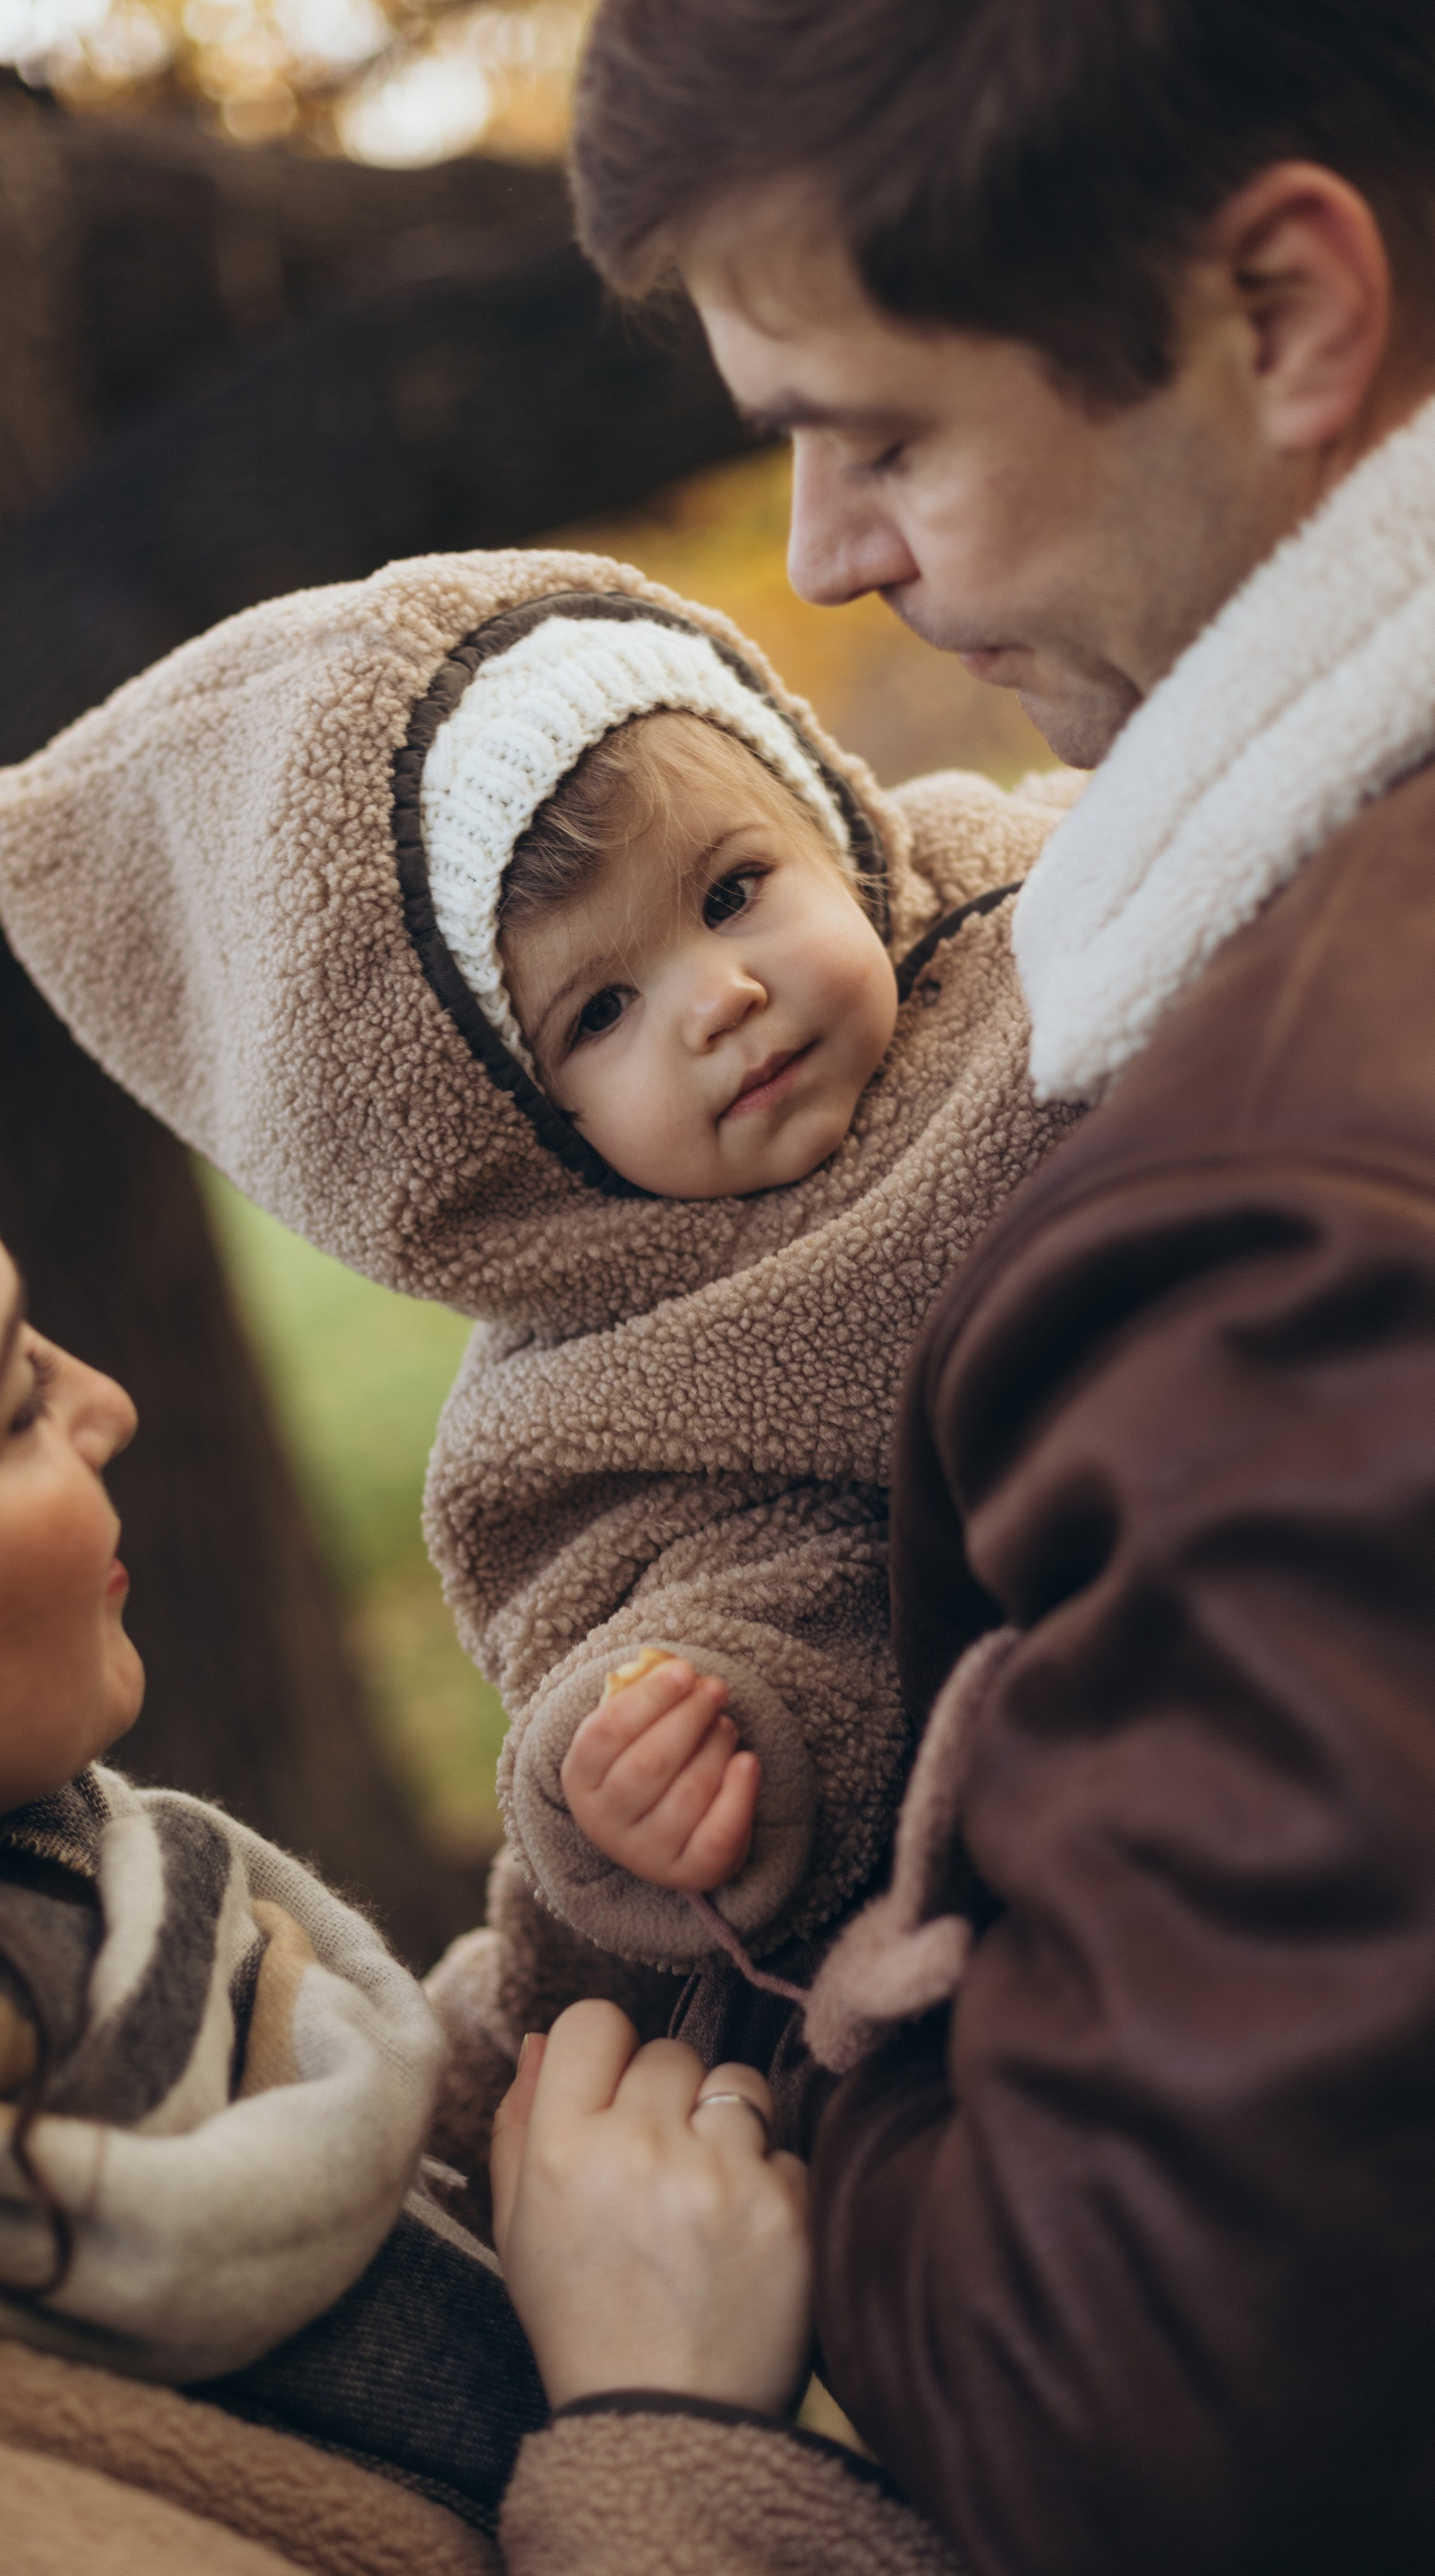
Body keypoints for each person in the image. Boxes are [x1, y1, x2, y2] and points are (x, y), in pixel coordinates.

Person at [562, 2, 1435, 2571]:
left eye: (882, 434)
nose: (824, 552)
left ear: (1283, 313)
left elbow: (1135, 2415)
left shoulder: (1287, 1203)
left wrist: (825, 2087)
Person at [0, 544, 1077, 2184]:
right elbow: (746, 1603)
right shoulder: (614, 1398)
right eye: (601, 1013)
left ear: (825, 818)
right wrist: (688, 1752)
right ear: (505, 1145)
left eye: (734, 892)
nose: (720, 998)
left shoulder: (1037, 908)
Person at [0, 970, 930, 2575]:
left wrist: (621, 1895)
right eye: (13, 1407)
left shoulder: (68, 1922)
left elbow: (378, 2176)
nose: (108, 1404)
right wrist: (665, 2421)